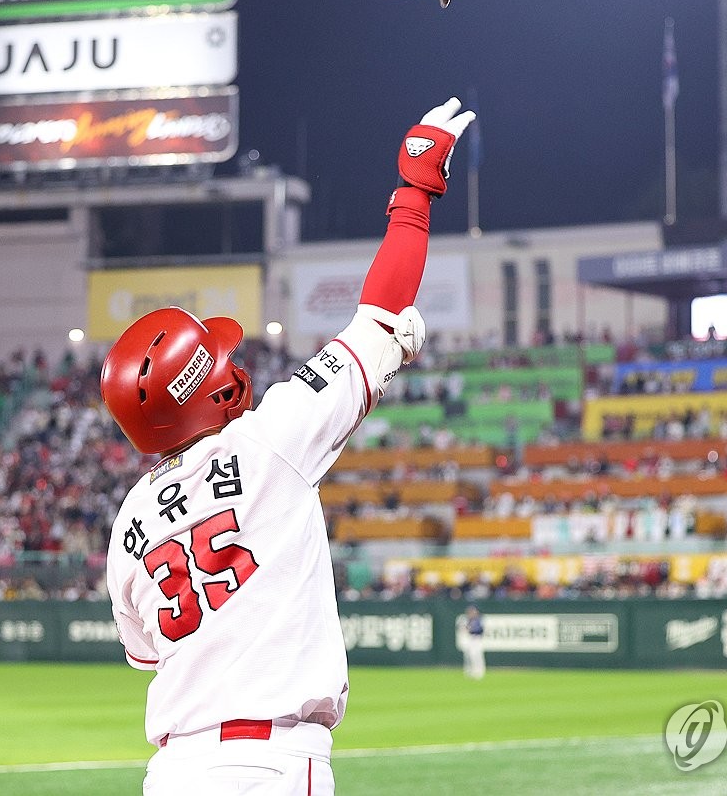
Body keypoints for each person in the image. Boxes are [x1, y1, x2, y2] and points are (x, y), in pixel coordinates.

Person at [101, 98, 476, 795]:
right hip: (269, 763)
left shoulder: (127, 522)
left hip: (173, 771)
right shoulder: (270, 436)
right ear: (203, 385)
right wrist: (417, 187)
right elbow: (381, 309)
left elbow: (148, 653)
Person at [462, 605, 485, 679]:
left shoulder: (479, 620)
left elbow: (479, 630)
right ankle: (472, 670)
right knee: (470, 655)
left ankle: (479, 671)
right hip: (471, 638)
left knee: (477, 655)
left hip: (477, 638)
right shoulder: (469, 620)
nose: (471, 613)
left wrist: (470, 629)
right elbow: (467, 629)